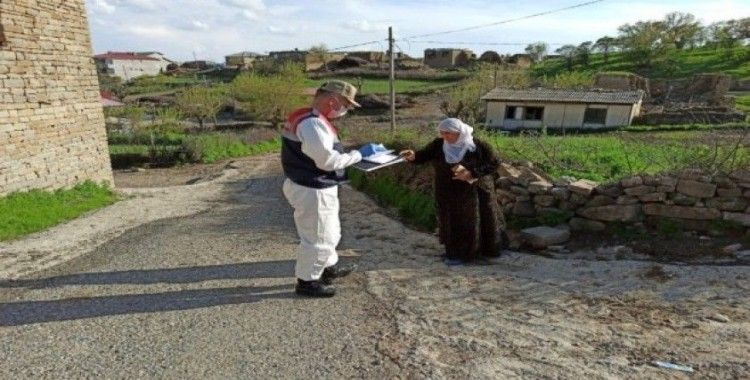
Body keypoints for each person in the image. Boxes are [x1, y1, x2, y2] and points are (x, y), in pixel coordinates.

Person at [281, 80, 378, 297]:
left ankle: (327, 268)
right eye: (347, 105)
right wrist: (360, 155)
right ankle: (308, 282)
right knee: (318, 237)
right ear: (333, 100)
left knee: (330, 232)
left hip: (312, 184)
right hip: (313, 187)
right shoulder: (313, 124)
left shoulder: (305, 116)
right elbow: (326, 161)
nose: (347, 110)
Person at [401, 118, 504, 265]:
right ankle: (457, 254)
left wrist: (472, 173)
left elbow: (494, 162)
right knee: (452, 221)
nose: (445, 136)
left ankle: (485, 249)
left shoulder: (477, 146)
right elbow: (423, 156)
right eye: (442, 133)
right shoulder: (438, 144)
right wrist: (413, 156)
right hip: (447, 191)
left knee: (477, 219)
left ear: (459, 132)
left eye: (448, 133)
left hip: (474, 190)